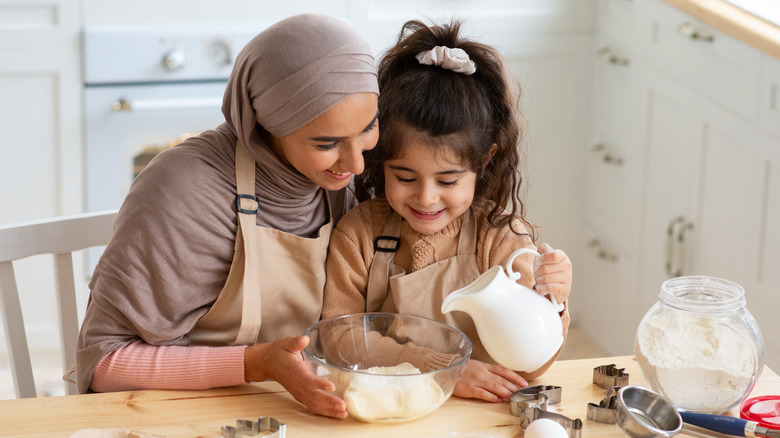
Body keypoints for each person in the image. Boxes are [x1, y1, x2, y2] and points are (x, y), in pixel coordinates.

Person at [75, 13, 379, 419]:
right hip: (183, 415)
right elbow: (103, 365)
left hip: (306, 412)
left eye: (369, 127)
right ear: (265, 123)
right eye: (327, 143)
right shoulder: (182, 192)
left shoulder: (358, 179)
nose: (357, 164)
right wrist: (253, 363)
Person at [322, 19, 572, 404]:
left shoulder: (500, 239)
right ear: (380, 158)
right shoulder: (360, 234)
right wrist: (442, 370)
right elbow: (339, 339)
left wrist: (554, 302)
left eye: (448, 181)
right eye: (404, 176)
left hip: (479, 416)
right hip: (389, 411)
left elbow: (531, 365)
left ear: (484, 161)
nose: (426, 198)